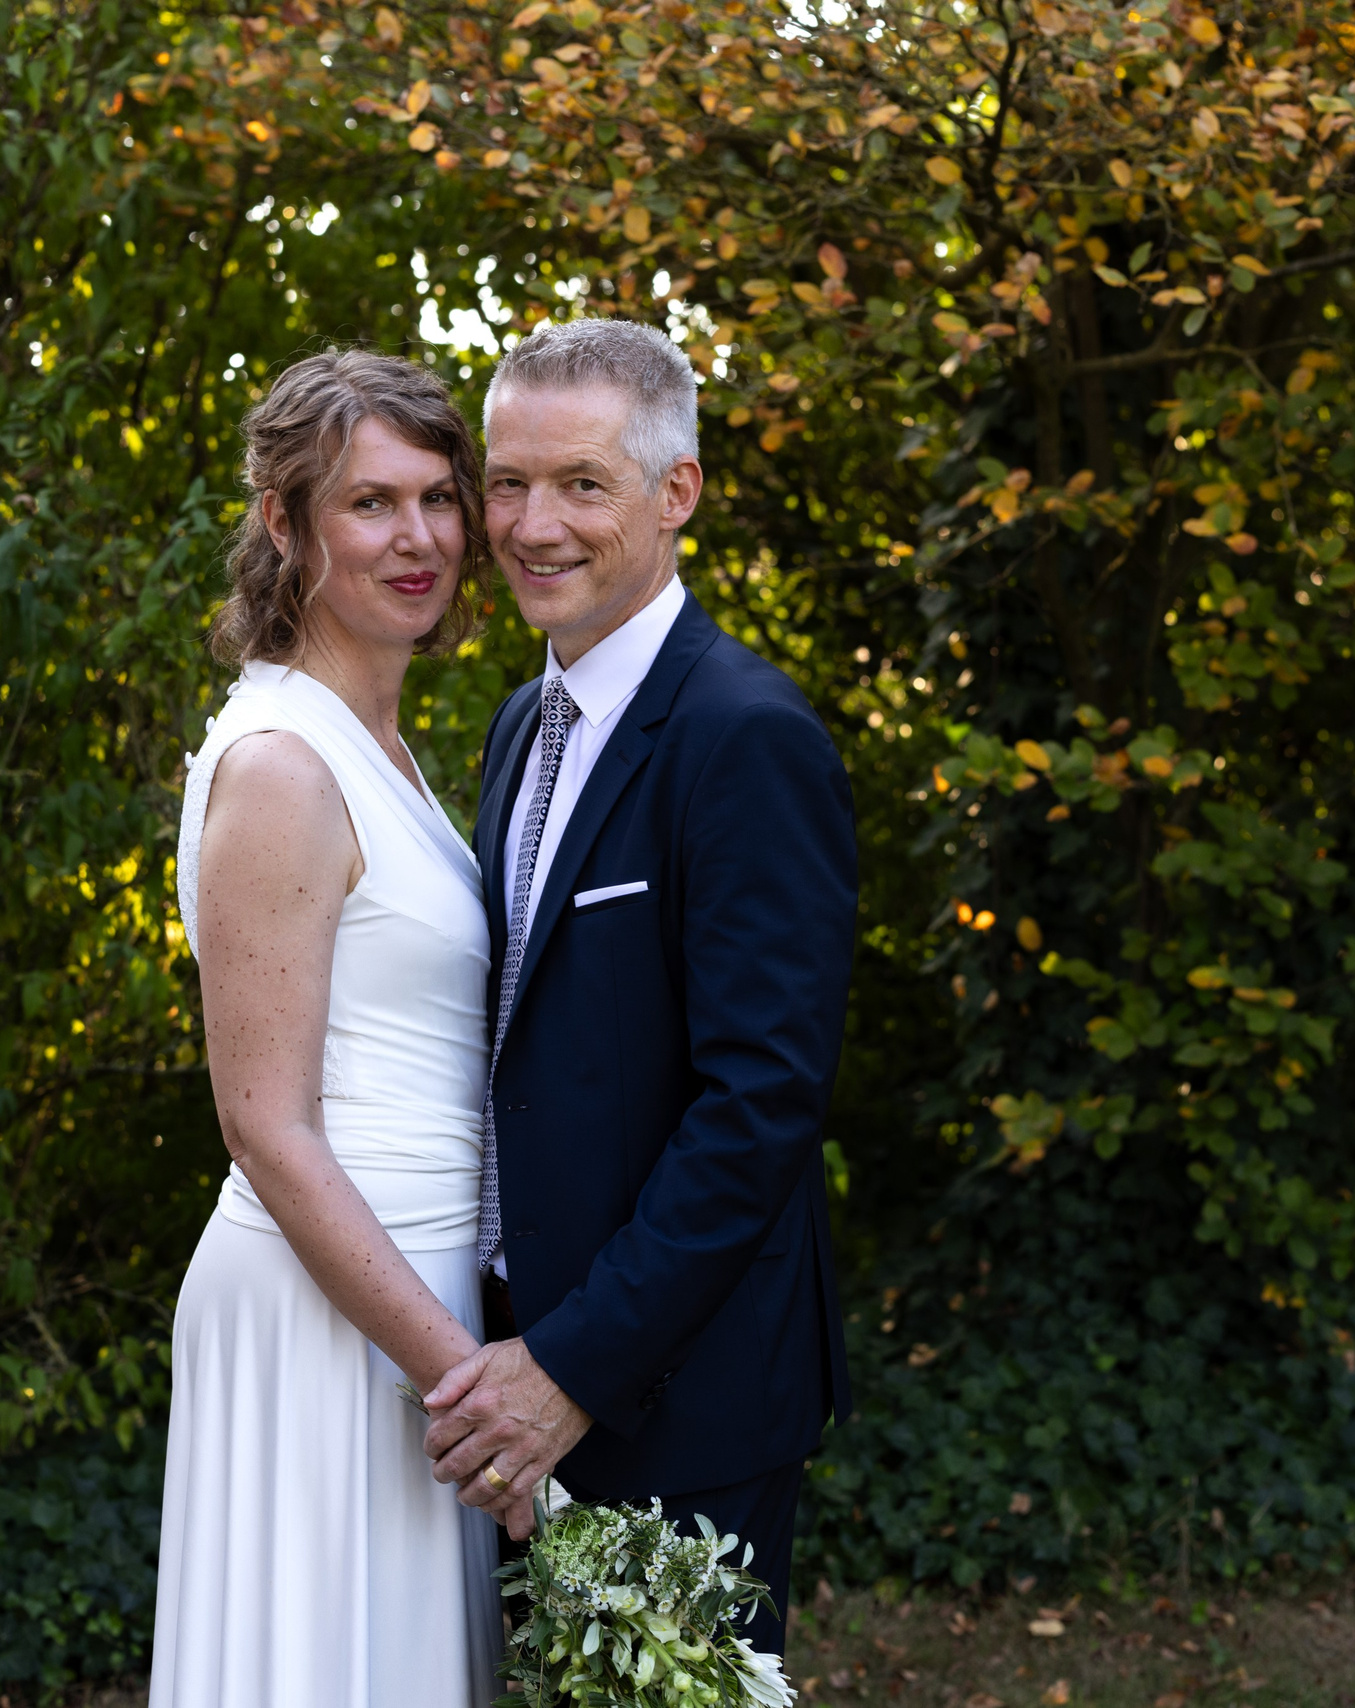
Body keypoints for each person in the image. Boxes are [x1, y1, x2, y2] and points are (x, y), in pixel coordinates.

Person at [419, 318, 859, 1656]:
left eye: (581, 484)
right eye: (507, 482)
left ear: (677, 494)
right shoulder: (518, 723)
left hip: (681, 1399)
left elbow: (760, 1110)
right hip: (517, 1384)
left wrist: (572, 1368)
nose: (531, 524)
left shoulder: (745, 736)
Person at [148, 350, 502, 1706]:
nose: (416, 539)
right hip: (330, 1317)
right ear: (286, 526)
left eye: (436, 497)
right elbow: (266, 1125)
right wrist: (466, 1387)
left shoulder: (384, 746)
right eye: (370, 504)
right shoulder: (284, 767)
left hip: (411, 1298)